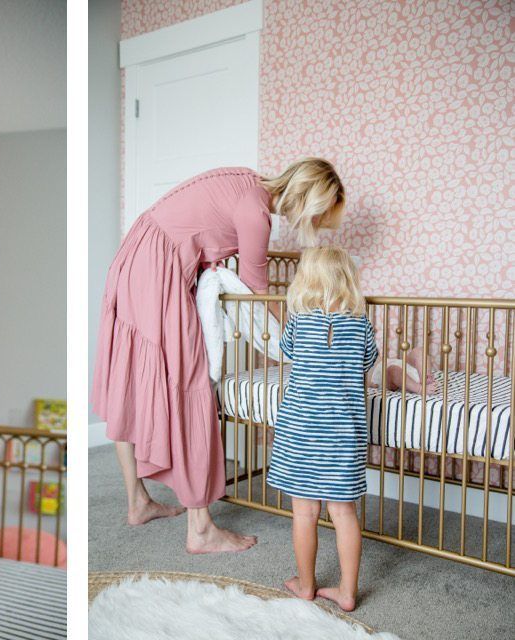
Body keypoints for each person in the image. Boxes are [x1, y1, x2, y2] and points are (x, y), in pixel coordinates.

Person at [91, 158, 346, 553]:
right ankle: (201, 529)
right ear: (308, 200)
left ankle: (138, 502)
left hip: (137, 253)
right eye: (318, 216)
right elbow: (257, 290)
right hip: (156, 264)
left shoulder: (245, 183)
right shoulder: (256, 212)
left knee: (133, 378)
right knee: (192, 382)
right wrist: (300, 334)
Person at [266, 247, 378, 611]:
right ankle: (347, 592)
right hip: (343, 431)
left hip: (301, 429)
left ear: (306, 280)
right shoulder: (361, 323)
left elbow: (288, 352)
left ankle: (306, 585)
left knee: (305, 513)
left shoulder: (299, 319)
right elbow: (368, 365)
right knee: (344, 513)